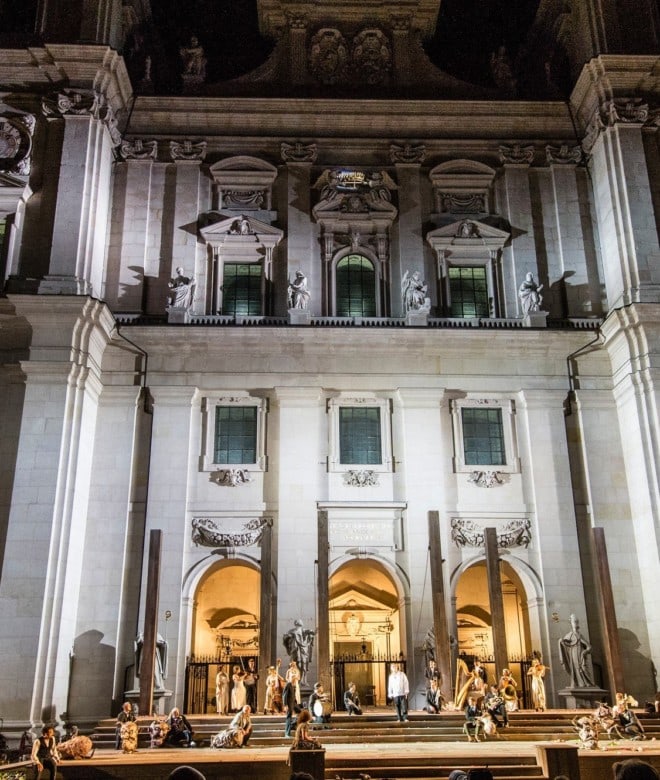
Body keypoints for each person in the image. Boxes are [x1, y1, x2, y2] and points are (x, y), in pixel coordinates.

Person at [558, 614, 594, 687]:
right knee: (575, 669)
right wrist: (561, 641)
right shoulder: (569, 635)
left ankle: (588, 682)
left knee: (584, 668)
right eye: (574, 622)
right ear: (571, 623)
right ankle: (580, 683)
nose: (576, 623)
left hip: (580, 654)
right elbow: (565, 644)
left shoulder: (579, 635)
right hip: (573, 654)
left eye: (577, 622)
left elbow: (589, 647)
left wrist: (584, 652)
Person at [283, 621, 315, 685]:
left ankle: (303, 681)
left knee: (303, 665)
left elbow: (310, 632)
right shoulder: (291, 631)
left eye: (299, 625)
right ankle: (292, 680)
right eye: (297, 625)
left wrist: (311, 633)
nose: (298, 627)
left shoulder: (304, 631)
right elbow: (285, 638)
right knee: (293, 664)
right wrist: (288, 637)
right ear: (295, 625)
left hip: (303, 651)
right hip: (294, 650)